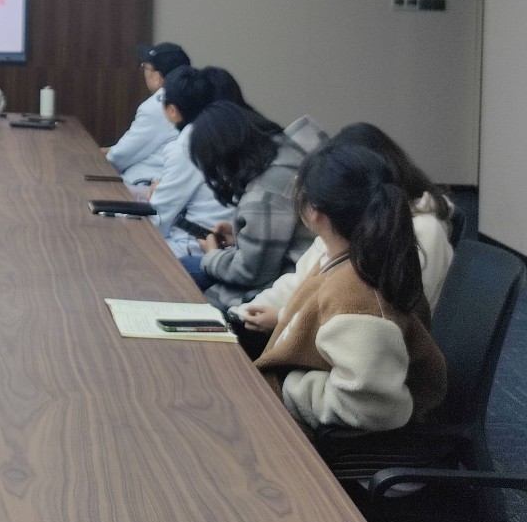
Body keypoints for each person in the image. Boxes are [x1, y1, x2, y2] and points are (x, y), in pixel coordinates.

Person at [251, 143, 446, 432]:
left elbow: (371, 407)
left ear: (315, 212)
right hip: (291, 414)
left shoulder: (356, 295)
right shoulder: (352, 259)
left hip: (316, 440)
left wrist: (289, 385)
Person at [234, 123, 454, 333]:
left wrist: (283, 318)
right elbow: (300, 280)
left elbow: (388, 315)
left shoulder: (425, 229)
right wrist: (245, 311)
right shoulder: (350, 221)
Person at [184, 101, 328, 309]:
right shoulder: (296, 149)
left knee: (183, 271)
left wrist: (212, 255)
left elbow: (251, 273)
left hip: (289, 285)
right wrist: (241, 234)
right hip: (317, 264)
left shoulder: (264, 195)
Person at [147, 66, 234, 256]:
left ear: (173, 110)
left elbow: (158, 220)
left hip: (196, 245)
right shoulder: (221, 132)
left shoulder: (188, 145)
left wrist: (155, 195)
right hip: (221, 241)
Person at [103, 42, 187, 187]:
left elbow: (120, 156)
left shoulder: (159, 105)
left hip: (145, 185)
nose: (144, 73)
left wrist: (91, 158)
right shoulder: (191, 97)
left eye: (145, 67)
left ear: (158, 77)